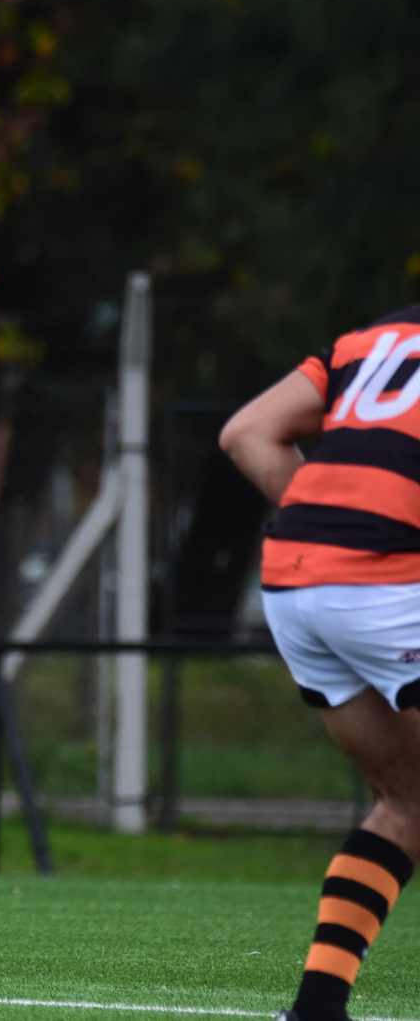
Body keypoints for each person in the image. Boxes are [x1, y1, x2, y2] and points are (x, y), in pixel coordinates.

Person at [222, 307, 420, 1021]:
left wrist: (332, 523)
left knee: (405, 800)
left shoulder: (369, 340)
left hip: (295, 579)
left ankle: (315, 1009)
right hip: (387, 582)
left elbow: (244, 432)